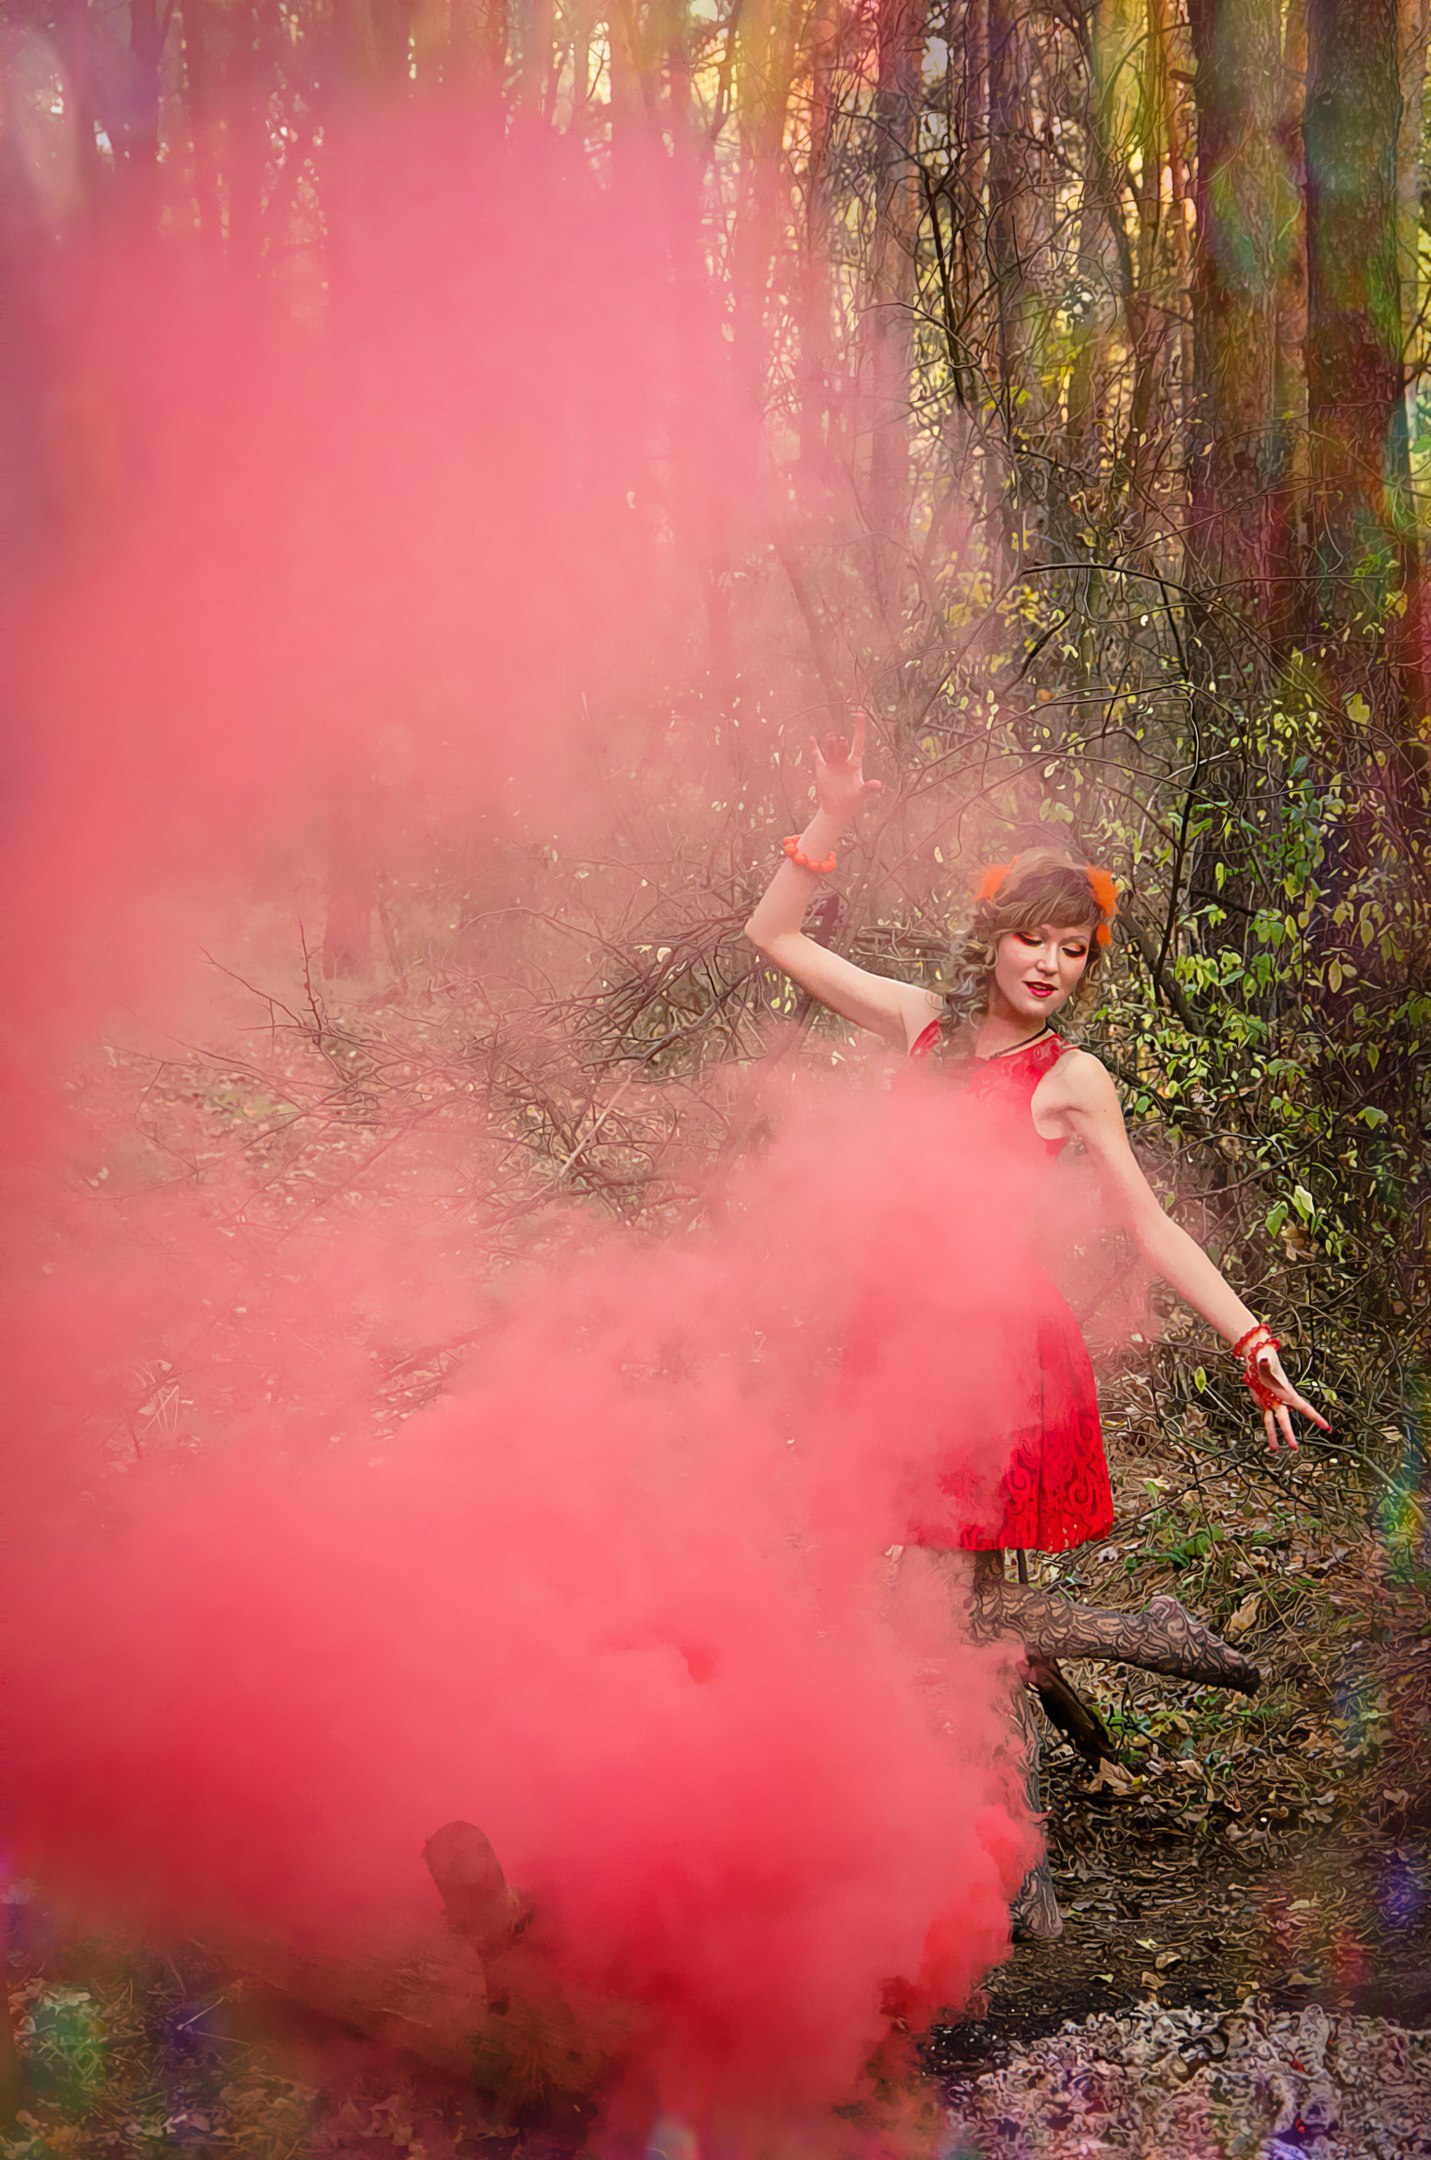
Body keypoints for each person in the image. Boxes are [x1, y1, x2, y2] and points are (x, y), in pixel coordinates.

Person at [743, 713, 1330, 1936]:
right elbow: (774, 935)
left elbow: (1153, 1229)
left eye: (1074, 949)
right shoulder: (919, 1025)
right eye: (1033, 939)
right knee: (924, 1599)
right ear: (992, 941)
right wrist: (837, 811)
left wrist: (1250, 1342)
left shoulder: (1071, 1079)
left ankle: (982, 1875)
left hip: (997, 1359)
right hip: (897, 1345)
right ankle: (978, 1863)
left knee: (939, 1608)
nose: (1052, 964)